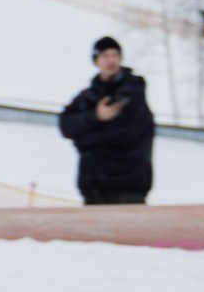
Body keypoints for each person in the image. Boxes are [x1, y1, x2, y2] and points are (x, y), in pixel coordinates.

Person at [60, 35, 156, 205]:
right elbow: (65, 124)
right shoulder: (88, 96)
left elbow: (127, 132)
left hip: (128, 187)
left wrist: (83, 140)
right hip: (94, 187)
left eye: (114, 55)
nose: (110, 60)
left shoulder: (133, 90)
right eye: (105, 55)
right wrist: (95, 117)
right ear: (96, 60)